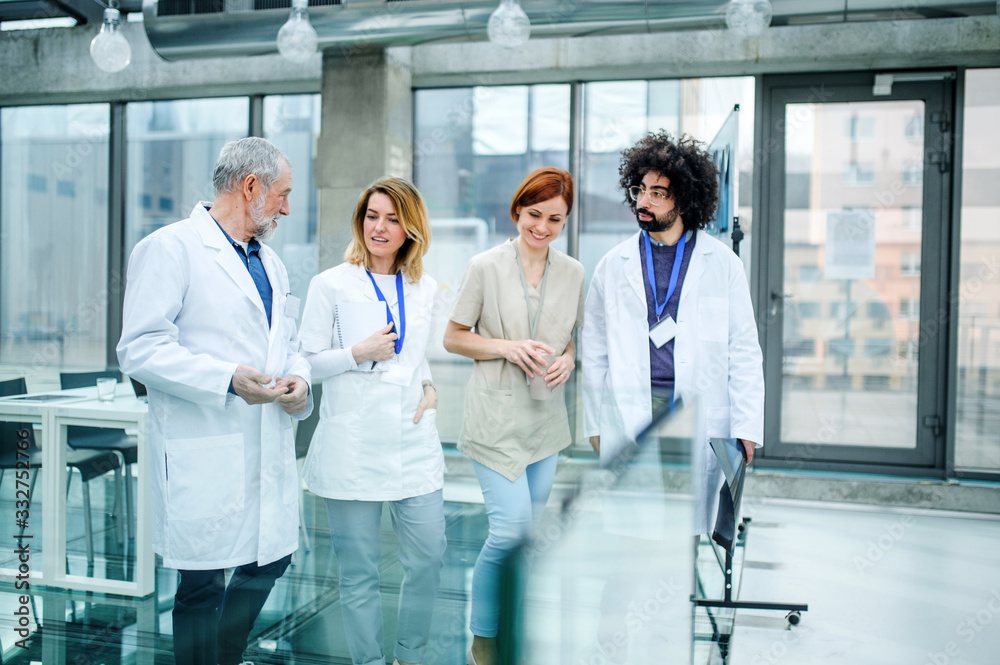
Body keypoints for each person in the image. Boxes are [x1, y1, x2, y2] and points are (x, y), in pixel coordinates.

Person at [117, 136, 313, 665]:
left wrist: (298, 379)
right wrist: (228, 379)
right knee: (201, 584)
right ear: (251, 186)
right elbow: (139, 349)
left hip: (264, 437)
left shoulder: (270, 262)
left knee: (273, 556)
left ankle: (222, 656)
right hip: (204, 442)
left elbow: (285, 343)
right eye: (283, 194)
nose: (287, 208)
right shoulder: (169, 248)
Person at [582, 130, 764, 534]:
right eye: (639, 189)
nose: (643, 201)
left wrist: (748, 426)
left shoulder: (723, 265)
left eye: (658, 193)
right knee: (635, 529)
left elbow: (744, 349)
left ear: (684, 198)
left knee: (684, 526)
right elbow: (593, 351)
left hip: (694, 409)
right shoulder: (613, 265)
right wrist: (594, 425)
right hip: (633, 406)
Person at [297, 177, 446, 665]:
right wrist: (357, 353)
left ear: (411, 228)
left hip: (411, 440)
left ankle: (411, 654)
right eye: (371, 216)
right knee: (358, 573)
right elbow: (307, 363)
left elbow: (414, 355)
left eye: (392, 218)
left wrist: (427, 384)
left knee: (427, 559)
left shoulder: (423, 288)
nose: (379, 227)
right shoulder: (331, 284)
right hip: (353, 448)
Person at [443, 167, 585, 665]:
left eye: (555, 219)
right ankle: (484, 641)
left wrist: (568, 357)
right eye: (534, 215)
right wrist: (506, 347)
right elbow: (454, 336)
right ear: (517, 211)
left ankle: (515, 623)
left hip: (545, 423)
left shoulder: (573, 272)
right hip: (495, 423)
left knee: (527, 536)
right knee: (506, 531)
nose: (542, 227)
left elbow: (569, 336)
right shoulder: (485, 265)